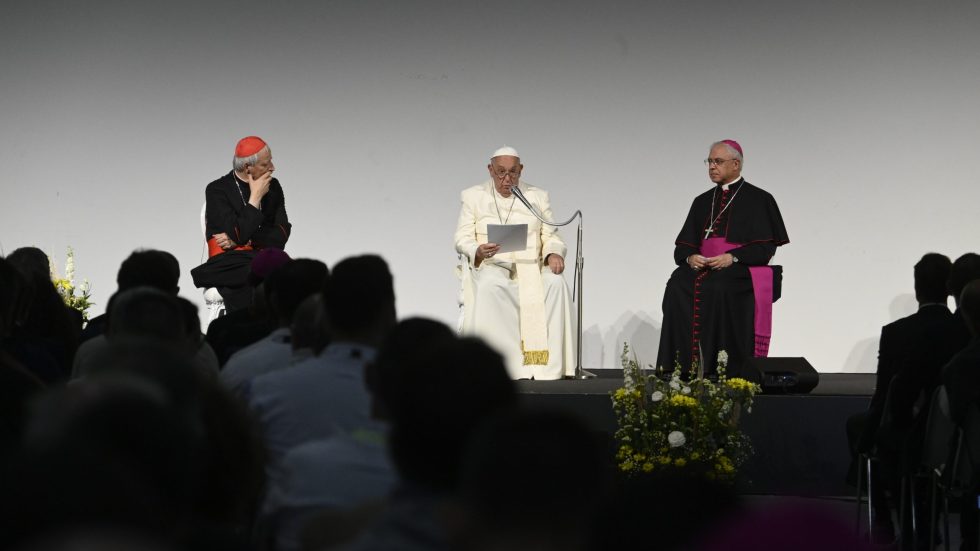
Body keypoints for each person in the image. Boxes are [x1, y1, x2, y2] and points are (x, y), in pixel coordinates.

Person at [656, 140, 789, 376]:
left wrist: (733, 257)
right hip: (705, 265)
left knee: (719, 286)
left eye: (718, 161)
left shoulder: (760, 199)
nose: (711, 167)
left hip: (740, 268)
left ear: (736, 164)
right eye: (709, 161)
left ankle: (721, 369)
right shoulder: (702, 201)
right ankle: (678, 367)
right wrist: (690, 258)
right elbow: (683, 246)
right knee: (677, 285)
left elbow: (765, 250)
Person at [845, 253, 953, 543]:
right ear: (949, 288)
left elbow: (885, 396)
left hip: (908, 433)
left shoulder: (896, 332)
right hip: (957, 433)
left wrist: (869, 438)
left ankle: (883, 521)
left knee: (870, 432)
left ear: (918, 289)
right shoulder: (964, 330)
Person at [454, 146, 575, 380]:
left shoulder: (537, 196)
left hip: (532, 267)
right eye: (501, 172)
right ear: (490, 170)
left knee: (555, 284)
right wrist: (477, 249)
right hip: (493, 266)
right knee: (492, 287)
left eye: (513, 172)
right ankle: (504, 366)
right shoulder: (473, 196)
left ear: (521, 170)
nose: (507, 179)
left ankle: (545, 367)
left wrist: (553, 254)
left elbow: (551, 235)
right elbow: (462, 237)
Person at [192, 136, 291, 312]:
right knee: (262, 273)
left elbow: (281, 235)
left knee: (271, 271)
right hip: (228, 262)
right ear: (247, 167)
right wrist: (255, 198)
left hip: (259, 258)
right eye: (265, 164)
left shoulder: (274, 187)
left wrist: (243, 241)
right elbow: (238, 233)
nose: (273, 168)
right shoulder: (217, 190)